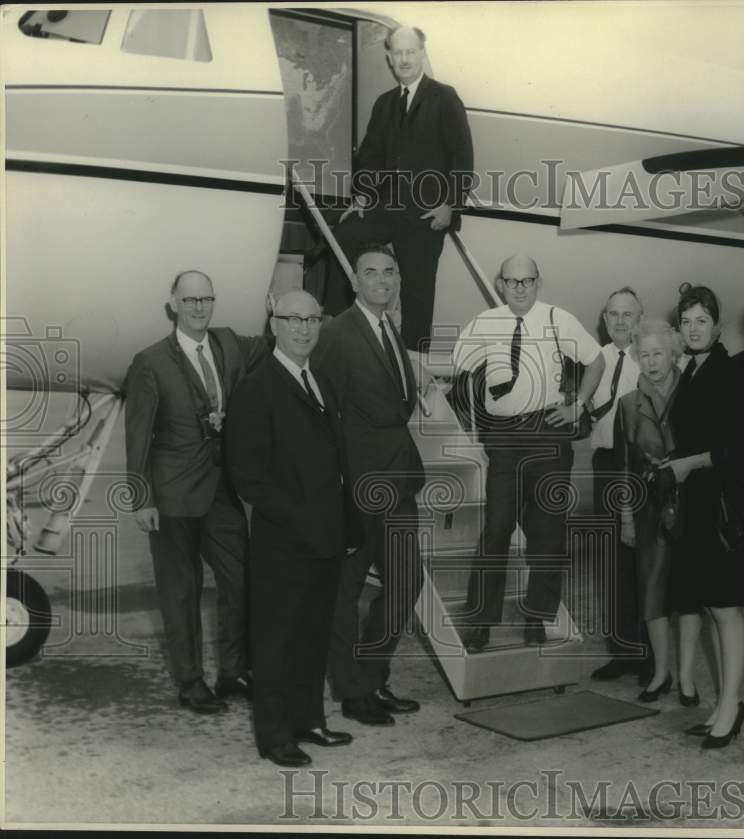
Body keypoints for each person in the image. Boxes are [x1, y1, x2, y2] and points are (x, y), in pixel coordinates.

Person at [226, 290, 357, 768]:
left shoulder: (318, 380)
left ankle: (308, 720)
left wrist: (342, 525)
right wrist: (301, 518)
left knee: (312, 636)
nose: (304, 328)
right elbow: (248, 477)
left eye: (313, 319)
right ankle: (275, 735)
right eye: (293, 319)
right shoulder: (257, 388)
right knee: (277, 642)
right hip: (284, 543)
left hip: (324, 538)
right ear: (274, 325)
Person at [124, 270, 265, 714]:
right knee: (181, 590)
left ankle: (233, 672)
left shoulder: (227, 343)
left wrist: (293, 313)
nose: (199, 308)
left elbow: (279, 341)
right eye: (190, 301)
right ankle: (189, 682)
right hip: (171, 497)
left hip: (221, 491)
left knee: (242, 580)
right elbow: (137, 437)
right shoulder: (150, 362)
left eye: (206, 299)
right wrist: (141, 498)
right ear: (173, 304)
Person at [454, 255, 604, 652]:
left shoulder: (560, 319)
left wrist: (580, 405)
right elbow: (458, 376)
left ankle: (537, 617)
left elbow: (595, 361)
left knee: (548, 533)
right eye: (512, 281)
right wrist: (473, 429)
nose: (520, 288)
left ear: (538, 282)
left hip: (549, 433)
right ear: (500, 284)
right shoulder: (483, 324)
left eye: (527, 281)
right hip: (503, 437)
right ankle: (481, 622)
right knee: (497, 529)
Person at [312, 244, 424, 727]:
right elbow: (323, 416)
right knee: (345, 588)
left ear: (397, 280)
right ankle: (352, 690)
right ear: (354, 281)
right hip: (357, 485)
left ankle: (373, 677)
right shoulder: (337, 333)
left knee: (405, 581)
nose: (382, 279)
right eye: (371, 272)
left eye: (390, 272)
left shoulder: (387, 329)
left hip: (396, 479)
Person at [317, 25, 474, 351]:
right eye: (397, 53)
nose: (404, 59)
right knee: (343, 236)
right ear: (389, 58)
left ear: (422, 54)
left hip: (426, 214)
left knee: (417, 296)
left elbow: (463, 157)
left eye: (410, 52)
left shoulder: (444, 97)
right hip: (386, 207)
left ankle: (412, 368)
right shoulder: (385, 104)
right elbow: (371, 157)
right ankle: (338, 333)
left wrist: (450, 206)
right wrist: (361, 196)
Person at [662, 285, 744, 748]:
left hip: (719, 506)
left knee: (725, 609)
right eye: (687, 321)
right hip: (697, 505)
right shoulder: (694, 370)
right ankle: (725, 704)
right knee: (714, 607)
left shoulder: (728, 372)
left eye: (702, 320)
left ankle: (732, 706)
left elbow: (738, 450)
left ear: (717, 325)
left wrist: (689, 464)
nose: (694, 328)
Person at [613, 320, 681, 703]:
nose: (653, 362)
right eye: (646, 355)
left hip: (689, 501)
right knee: (652, 592)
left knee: (688, 595)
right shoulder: (628, 405)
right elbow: (625, 468)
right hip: (648, 508)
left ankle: (687, 676)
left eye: (659, 354)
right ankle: (662, 673)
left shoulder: (690, 395)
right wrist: (626, 517)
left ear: (673, 355)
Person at [588, 287, 650, 683]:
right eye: (613, 314)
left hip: (639, 465)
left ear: (639, 320)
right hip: (605, 465)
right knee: (610, 561)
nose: (620, 321)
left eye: (628, 314)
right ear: (605, 319)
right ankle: (622, 650)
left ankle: (649, 655)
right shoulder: (596, 360)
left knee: (643, 563)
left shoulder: (649, 360)